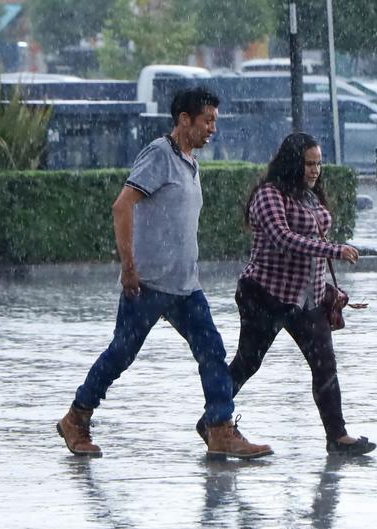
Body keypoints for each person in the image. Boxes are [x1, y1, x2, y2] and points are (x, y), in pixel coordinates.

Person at [57, 87, 272, 460]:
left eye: (215, 122)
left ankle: (220, 428)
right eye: (207, 121)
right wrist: (128, 267)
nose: (212, 129)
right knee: (121, 354)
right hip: (147, 284)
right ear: (184, 120)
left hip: (185, 286)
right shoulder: (159, 155)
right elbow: (122, 206)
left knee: (212, 351)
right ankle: (76, 418)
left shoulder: (191, 162)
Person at [198, 132, 376, 456]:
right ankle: (213, 419)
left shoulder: (310, 197)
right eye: (309, 164)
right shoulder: (269, 195)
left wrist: (328, 290)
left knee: (325, 364)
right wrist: (333, 250)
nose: (315, 171)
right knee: (248, 362)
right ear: (292, 163)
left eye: (319, 164)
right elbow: (284, 238)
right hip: (264, 295)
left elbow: (311, 246)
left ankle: (337, 436)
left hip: (306, 299)